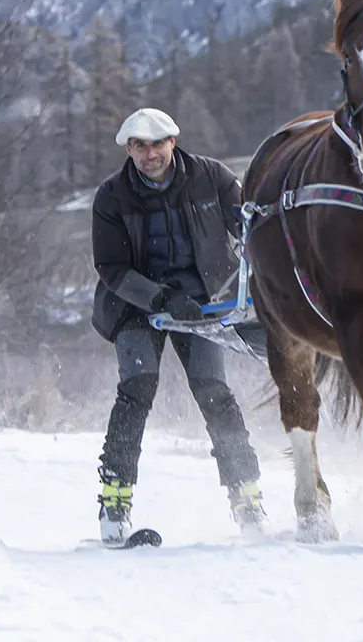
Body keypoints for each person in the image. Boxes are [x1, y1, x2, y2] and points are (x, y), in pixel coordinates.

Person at [90, 107, 265, 543]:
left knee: (214, 391)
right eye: (139, 146)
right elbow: (112, 269)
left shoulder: (212, 177)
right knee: (137, 387)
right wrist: (163, 298)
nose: (149, 155)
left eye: (156, 145)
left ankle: (247, 499)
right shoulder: (111, 197)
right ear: (129, 150)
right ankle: (114, 502)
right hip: (136, 304)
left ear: (172, 142)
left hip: (203, 302)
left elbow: (249, 227)